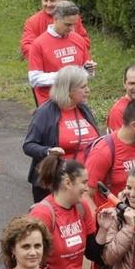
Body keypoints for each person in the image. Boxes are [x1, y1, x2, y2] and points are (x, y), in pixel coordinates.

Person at [22, 66, 103, 200]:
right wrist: (48, 151)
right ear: (68, 90)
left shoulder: (83, 109)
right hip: (56, 185)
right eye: (83, 87)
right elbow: (29, 145)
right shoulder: (45, 112)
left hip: (83, 184)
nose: (88, 90)